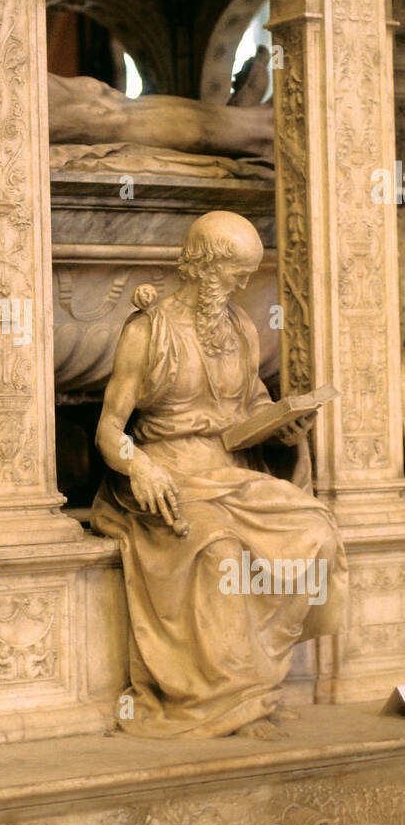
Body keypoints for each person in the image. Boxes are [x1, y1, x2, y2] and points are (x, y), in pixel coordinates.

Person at [91, 211, 346, 739]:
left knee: (317, 530)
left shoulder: (241, 328)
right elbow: (108, 430)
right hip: (171, 475)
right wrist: (138, 463)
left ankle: (257, 681)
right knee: (220, 550)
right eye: (238, 272)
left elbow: (251, 406)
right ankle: (228, 700)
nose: (245, 283)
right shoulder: (149, 331)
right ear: (207, 266)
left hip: (230, 471)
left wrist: (284, 427)